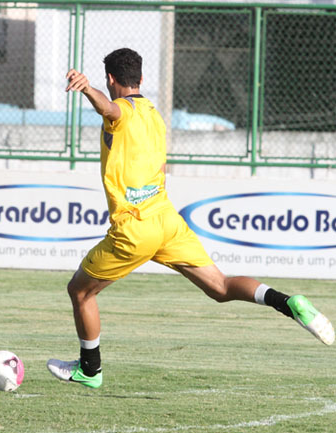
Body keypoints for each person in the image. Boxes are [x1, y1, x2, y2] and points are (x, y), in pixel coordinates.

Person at [47, 48, 334, 389]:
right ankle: (287, 303)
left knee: (80, 292)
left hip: (134, 227)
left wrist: (85, 88)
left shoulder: (120, 109)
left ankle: (90, 369)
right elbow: (161, 168)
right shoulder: (154, 114)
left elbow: (108, 109)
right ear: (142, 78)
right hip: (167, 220)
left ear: (111, 79)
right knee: (221, 287)